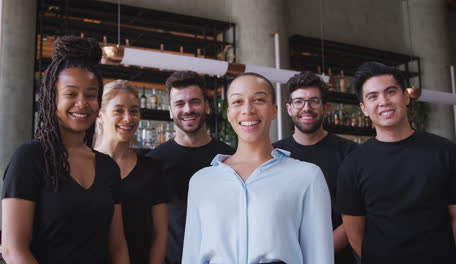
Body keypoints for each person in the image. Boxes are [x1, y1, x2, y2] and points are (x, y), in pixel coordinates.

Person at [1, 36, 129, 264]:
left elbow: (118, 248)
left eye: (90, 95)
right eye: (71, 94)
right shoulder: (30, 159)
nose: (82, 103)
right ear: (52, 98)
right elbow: (13, 250)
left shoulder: (108, 167)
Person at [182, 72, 334, 264]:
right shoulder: (201, 181)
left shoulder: (307, 176)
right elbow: (191, 256)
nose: (248, 109)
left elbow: (320, 257)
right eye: (238, 102)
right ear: (228, 113)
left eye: (259, 100)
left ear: (274, 110)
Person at [336, 62, 456, 264]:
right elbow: (355, 234)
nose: (384, 101)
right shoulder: (352, 165)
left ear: (406, 97)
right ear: (363, 108)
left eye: (391, 92)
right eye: (373, 96)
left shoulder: (446, 152)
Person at [146, 71, 234, 264]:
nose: (187, 109)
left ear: (207, 106)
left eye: (194, 102)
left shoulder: (230, 158)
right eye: (179, 104)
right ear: (170, 110)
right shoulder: (154, 162)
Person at [273, 71, 357, 264]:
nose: (306, 108)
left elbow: (355, 214)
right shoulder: (273, 154)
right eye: (299, 102)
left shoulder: (350, 153)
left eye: (314, 101)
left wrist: (317, 253)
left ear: (325, 107)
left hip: (337, 257)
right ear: (289, 108)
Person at [94, 80, 169, 264]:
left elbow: (160, 236)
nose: (128, 118)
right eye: (118, 111)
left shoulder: (152, 169)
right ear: (100, 115)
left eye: (134, 111)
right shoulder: (84, 163)